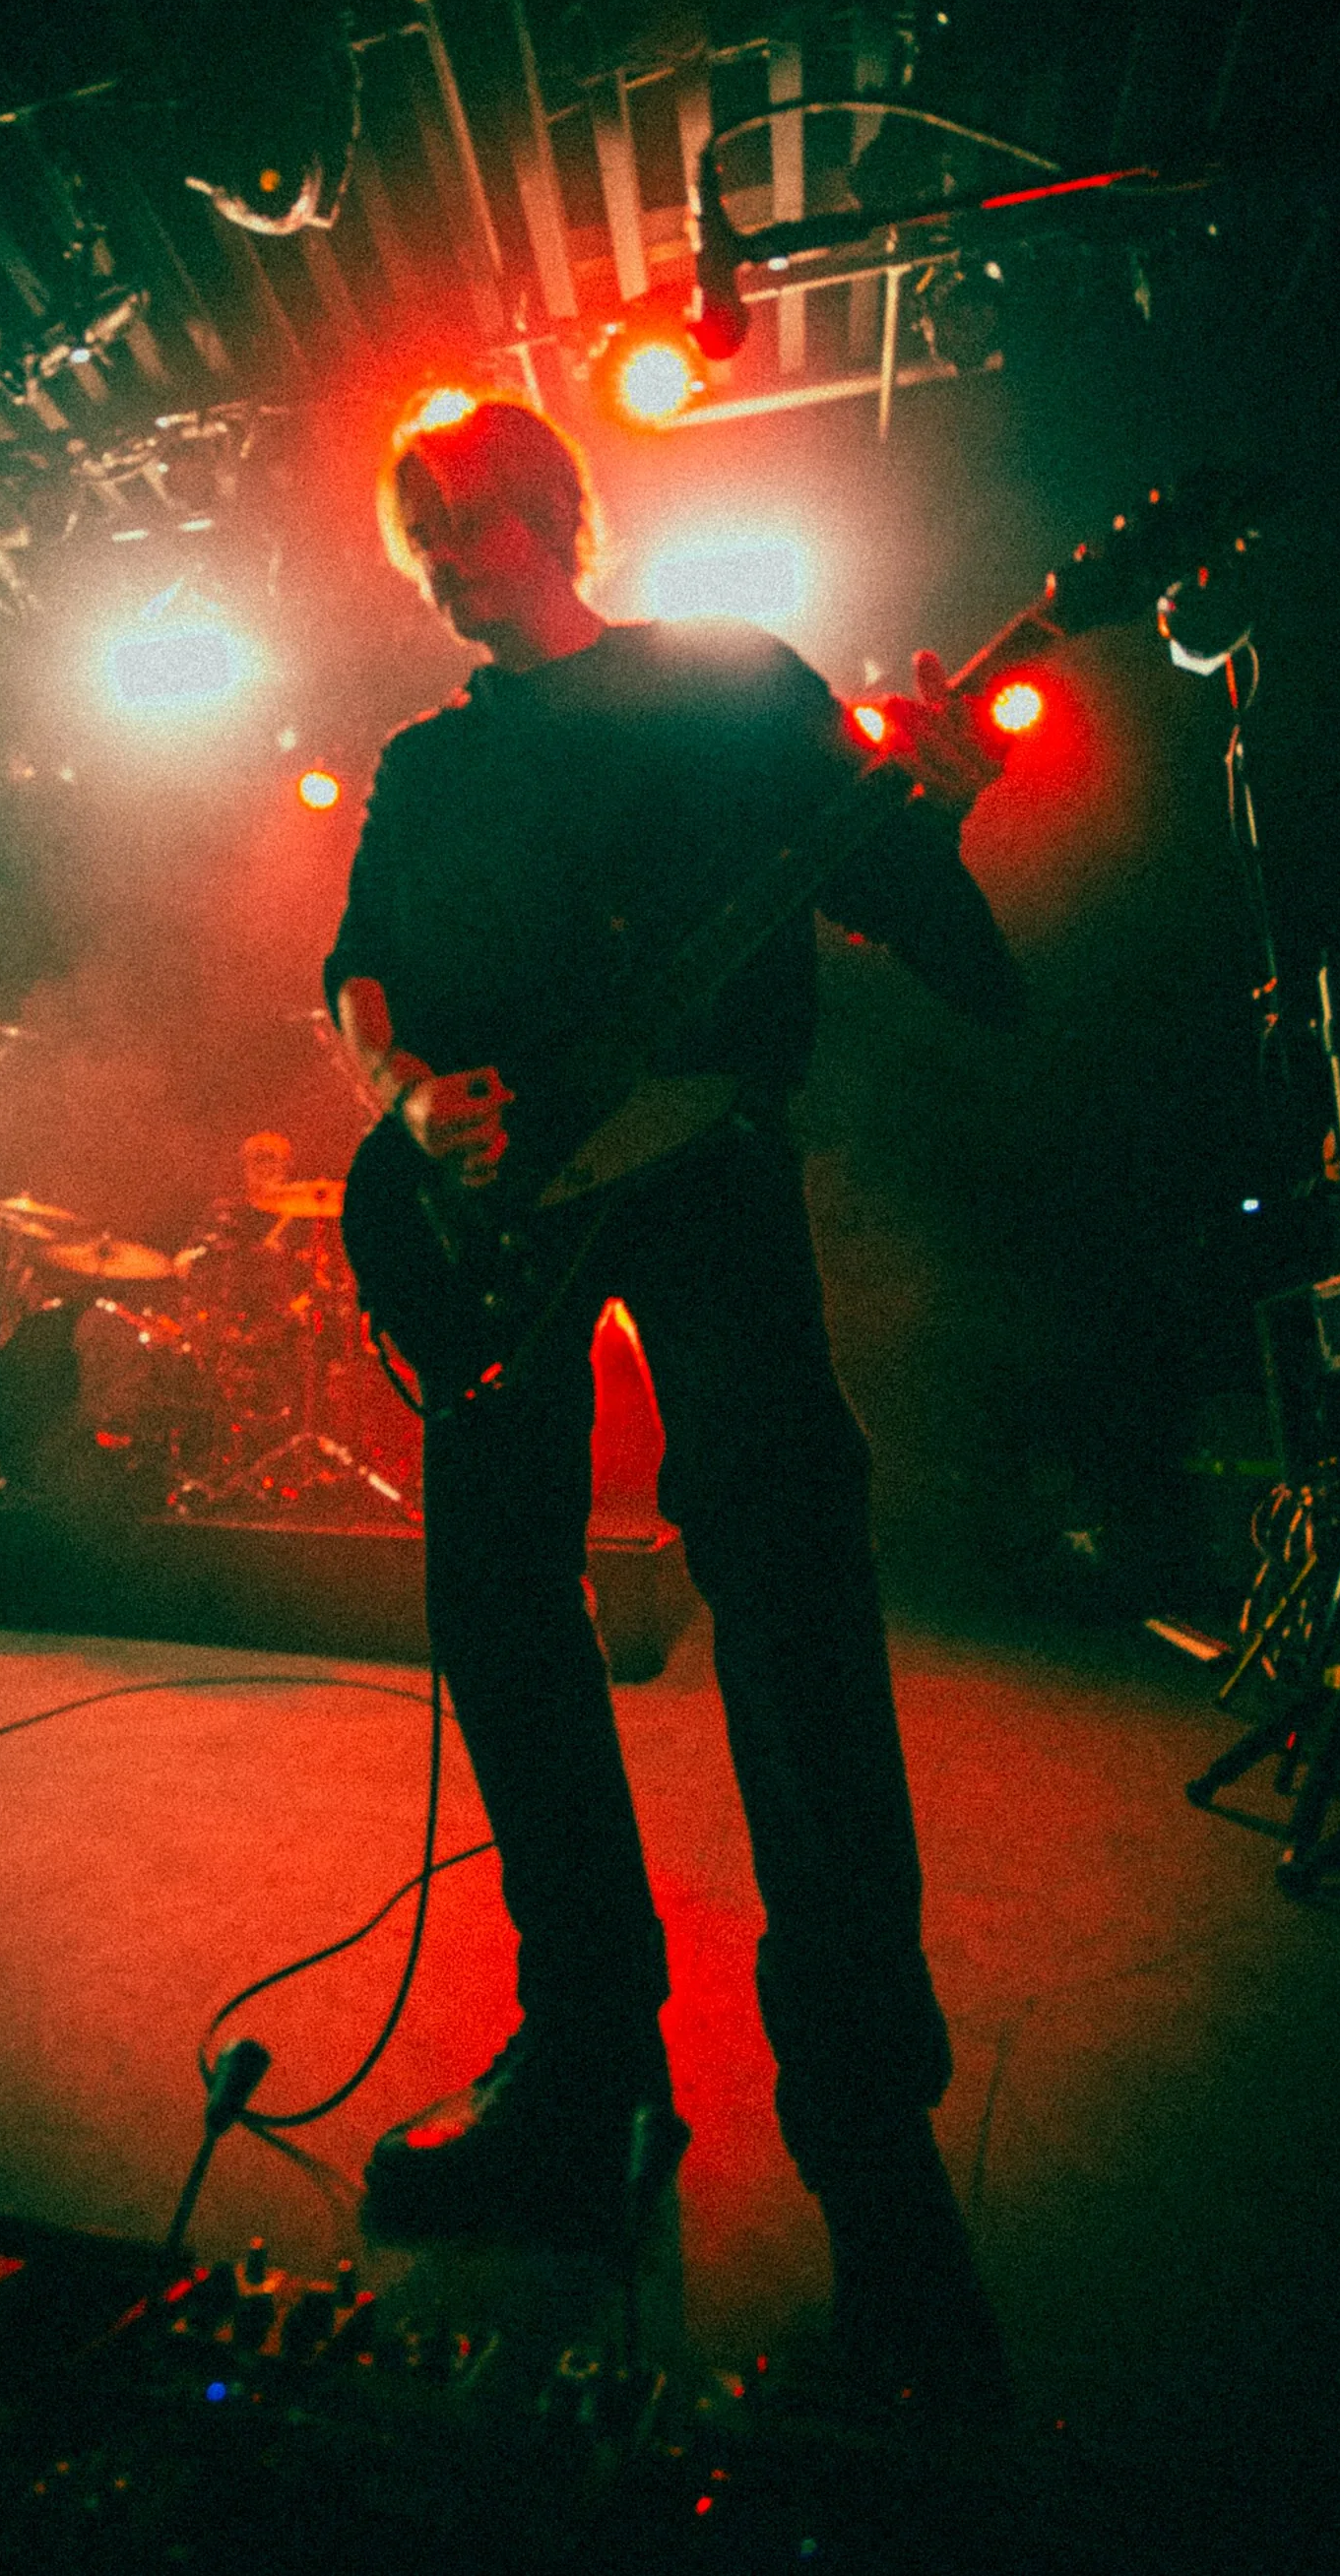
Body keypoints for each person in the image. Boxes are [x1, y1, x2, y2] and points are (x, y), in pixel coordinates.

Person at [325, 396, 1026, 2398]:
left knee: (793, 1620)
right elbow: (356, 969)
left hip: (707, 1174)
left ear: (552, 504)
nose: (451, 556)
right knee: (494, 1612)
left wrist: (938, 802)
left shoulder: (728, 686)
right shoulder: (426, 759)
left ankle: (876, 2167)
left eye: (470, 516)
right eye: (421, 533)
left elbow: (927, 929)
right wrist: (403, 1092)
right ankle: (583, 2066)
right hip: (487, 1221)